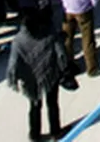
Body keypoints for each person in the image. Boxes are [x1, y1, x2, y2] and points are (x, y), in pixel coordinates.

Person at [6, 13, 68, 142]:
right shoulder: (48, 35)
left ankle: (34, 135)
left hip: (31, 79)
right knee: (52, 103)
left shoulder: (18, 41)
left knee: (34, 106)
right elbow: (60, 53)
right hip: (50, 74)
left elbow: (13, 64)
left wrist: (15, 78)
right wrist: (64, 68)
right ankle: (55, 132)